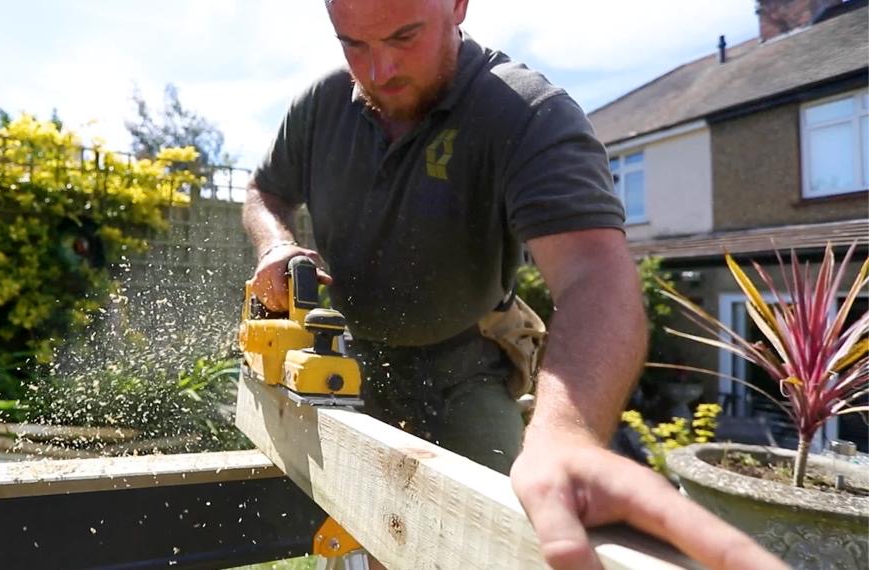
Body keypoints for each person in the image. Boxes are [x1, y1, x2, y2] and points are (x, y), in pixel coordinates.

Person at [242, 1, 784, 568]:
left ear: (457, 5)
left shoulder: (526, 112)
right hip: (347, 365)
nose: (379, 71)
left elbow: (593, 273)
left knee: (497, 536)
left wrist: (566, 437)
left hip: (462, 370)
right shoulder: (322, 103)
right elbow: (263, 191)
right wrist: (275, 243)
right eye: (354, 44)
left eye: (405, 37)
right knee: (364, 531)